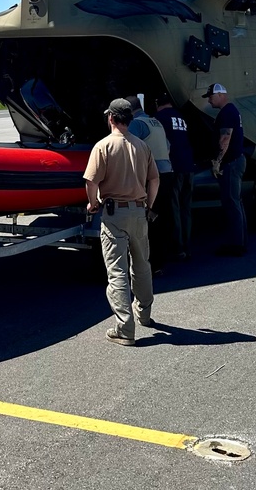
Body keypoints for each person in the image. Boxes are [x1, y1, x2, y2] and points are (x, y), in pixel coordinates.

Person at [83, 98, 159, 347]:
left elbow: (91, 182)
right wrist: (148, 205)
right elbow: (154, 180)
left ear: (111, 119)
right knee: (142, 265)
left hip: (114, 214)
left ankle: (125, 329)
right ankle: (144, 313)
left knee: (117, 271)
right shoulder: (142, 146)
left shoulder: (103, 146)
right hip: (139, 212)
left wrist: (92, 203)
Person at [125, 94, 174, 268]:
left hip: (151, 177)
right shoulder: (155, 122)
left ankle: (150, 263)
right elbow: (167, 146)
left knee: (146, 219)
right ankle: (162, 259)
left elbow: (126, 147)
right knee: (160, 216)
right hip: (167, 173)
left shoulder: (136, 124)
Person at [205, 82, 247, 256]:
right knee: (235, 202)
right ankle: (240, 240)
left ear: (221, 95)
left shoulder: (227, 113)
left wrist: (217, 162)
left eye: (211, 96)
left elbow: (225, 138)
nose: (209, 100)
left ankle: (236, 245)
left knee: (231, 203)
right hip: (237, 160)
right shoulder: (231, 111)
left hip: (231, 162)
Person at [155, 92, 195, 260]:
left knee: (174, 208)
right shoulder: (181, 117)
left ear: (158, 104)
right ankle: (187, 244)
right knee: (186, 208)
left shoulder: (159, 118)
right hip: (189, 165)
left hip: (175, 166)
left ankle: (178, 247)